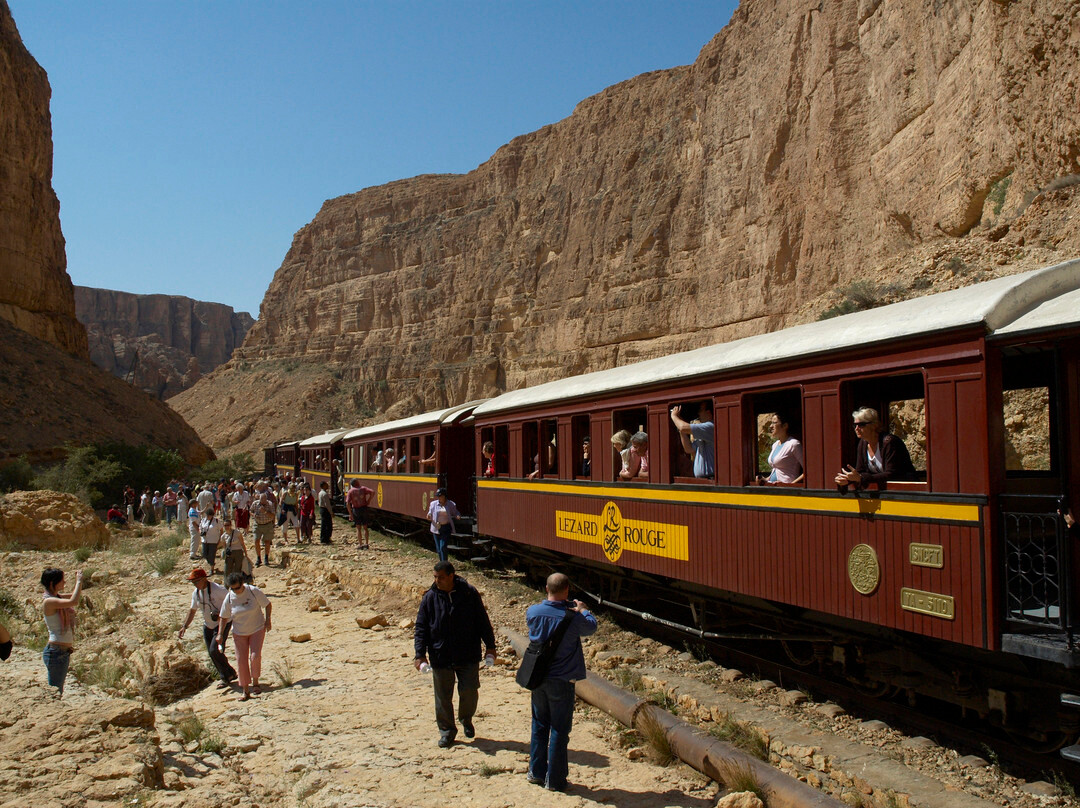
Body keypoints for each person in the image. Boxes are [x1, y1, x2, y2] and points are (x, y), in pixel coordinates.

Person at [525, 572, 597, 792]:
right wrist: (582, 608)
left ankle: (536, 773)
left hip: (538, 678)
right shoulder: (574, 618)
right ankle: (555, 780)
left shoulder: (533, 612)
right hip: (563, 680)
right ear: (567, 591)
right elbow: (591, 627)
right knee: (559, 729)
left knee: (539, 724)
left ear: (547, 588)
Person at [413, 560, 497, 747]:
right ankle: (447, 731)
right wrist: (420, 654)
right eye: (435, 578)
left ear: (451, 576)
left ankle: (466, 718)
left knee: (469, 690)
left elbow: (482, 620)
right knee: (442, 697)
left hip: (467, 653)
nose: (437, 581)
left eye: (441, 578)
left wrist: (491, 646)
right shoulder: (429, 598)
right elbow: (421, 627)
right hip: (440, 654)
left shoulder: (469, 593)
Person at [217, 572, 272, 702]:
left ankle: (256, 683)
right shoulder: (230, 597)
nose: (236, 591)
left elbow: (267, 604)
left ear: (243, 584)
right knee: (241, 660)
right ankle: (245, 690)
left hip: (257, 629)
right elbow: (224, 617)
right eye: (233, 588)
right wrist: (220, 633)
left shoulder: (253, 591)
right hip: (239, 632)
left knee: (255, 656)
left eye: (238, 588)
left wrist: (268, 620)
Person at [178, 568, 237, 688]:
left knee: (214, 650)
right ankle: (230, 673)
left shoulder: (217, 590)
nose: (195, 584)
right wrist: (184, 626)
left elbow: (232, 600)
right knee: (212, 653)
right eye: (193, 582)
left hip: (222, 624)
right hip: (208, 625)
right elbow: (192, 610)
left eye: (196, 581)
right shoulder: (196, 593)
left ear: (204, 579)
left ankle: (225, 677)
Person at [834, 407, 916, 490]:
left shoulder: (890, 442)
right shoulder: (863, 443)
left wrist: (861, 478)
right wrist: (847, 480)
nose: (856, 429)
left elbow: (892, 474)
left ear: (874, 425)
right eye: (855, 425)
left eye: (861, 425)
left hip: (905, 492)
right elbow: (860, 472)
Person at [41, 567, 83, 694]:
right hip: (56, 652)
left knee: (57, 690)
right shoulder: (49, 601)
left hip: (60, 651)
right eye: (62, 580)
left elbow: (74, 596)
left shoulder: (56, 597)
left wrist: (79, 586)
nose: (64, 583)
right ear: (52, 583)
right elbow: (73, 601)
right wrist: (79, 581)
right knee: (55, 691)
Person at [756, 412, 804, 485]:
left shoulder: (794, 444)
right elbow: (777, 470)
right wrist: (765, 479)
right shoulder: (775, 445)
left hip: (786, 491)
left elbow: (808, 471)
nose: (771, 426)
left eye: (774, 423)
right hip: (774, 488)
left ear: (785, 425)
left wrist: (790, 485)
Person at [670, 402, 715, 479]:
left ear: (708, 412)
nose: (698, 413)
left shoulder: (711, 426)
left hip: (710, 478)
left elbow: (683, 427)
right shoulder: (704, 432)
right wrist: (681, 428)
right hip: (704, 479)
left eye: (701, 410)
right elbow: (689, 449)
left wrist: (673, 416)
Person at [426, 488, 460, 563]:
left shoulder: (451, 504)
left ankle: (444, 563)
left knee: (443, 547)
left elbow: (455, 512)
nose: (438, 497)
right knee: (438, 549)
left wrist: (457, 515)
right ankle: (442, 563)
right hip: (436, 528)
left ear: (444, 496)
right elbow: (430, 512)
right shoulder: (433, 504)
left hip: (446, 527)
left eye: (440, 496)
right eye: (437, 496)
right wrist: (428, 515)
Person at [220, 517, 251, 582]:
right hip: (229, 554)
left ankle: (237, 584)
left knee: (238, 570)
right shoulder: (223, 536)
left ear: (231, 525)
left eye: (228, 525)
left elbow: (242, 544)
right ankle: (227, 585)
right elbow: (224, 547)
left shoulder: (237, 533)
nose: (226, 527)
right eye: (225, 525)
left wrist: (246, 554)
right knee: (227, 570)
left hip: (238, 552)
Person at [346, 479, 374, 549]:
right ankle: (366, 543)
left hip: (356, 509)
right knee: (365, 527)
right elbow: (372, 492)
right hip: (364, 508)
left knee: (358, 528)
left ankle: (360, 544)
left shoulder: (350, 491)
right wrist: (369, 500)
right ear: (357, 483)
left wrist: (350, 513)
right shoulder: (363, 489)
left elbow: (347, 503)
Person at [251, 492, 276, 567]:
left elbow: (272, 515)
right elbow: (250, 511)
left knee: (267, 541)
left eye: (264, 499)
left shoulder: (270, 504)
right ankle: (258, 558)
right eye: (261, 499)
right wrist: (254, 515)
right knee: (256, 540)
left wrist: (265, 511)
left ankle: (266, 557)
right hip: (257, 524)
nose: (263, 501)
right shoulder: (255, 504)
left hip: (267, 524)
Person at [199, 508, 223, 575]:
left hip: (213, 540)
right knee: (204, 554)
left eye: (209, 515)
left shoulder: (217, 521)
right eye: (207, 515)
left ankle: (211, 569)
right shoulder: (203, 520)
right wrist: (201, 532)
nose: (208, 517)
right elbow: (200, 527)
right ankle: (211, 563)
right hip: (205, 540)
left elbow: (221, 530)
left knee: (212, 554)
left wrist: (220, 539)